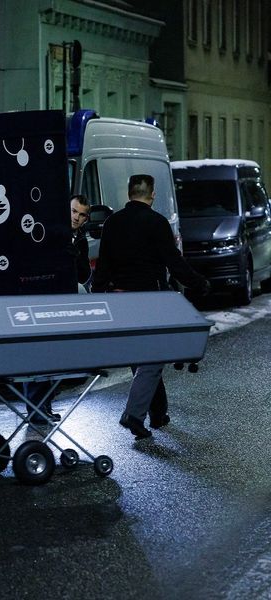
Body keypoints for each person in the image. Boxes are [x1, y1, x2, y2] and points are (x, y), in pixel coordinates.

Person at [91, 174, 209, 440]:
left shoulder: (112, 222)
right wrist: (199, 283)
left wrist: (97, 296)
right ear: (152, 194)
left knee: (141, 360)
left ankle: (158, 413)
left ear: (129, 193)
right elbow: (174, 263)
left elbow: (103, 264)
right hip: (149, 301)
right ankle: (134, 414)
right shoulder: (157, 222)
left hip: (120, 299)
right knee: (153, 359)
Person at [25, 194, 91, 425]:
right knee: (41, 355)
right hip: (45, 301)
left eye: (82, 215)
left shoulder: (80, 239)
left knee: (55, 358)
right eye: (74, 211)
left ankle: (44, 406)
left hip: (65, 302)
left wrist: (76, 258)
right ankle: (36, 409)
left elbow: (83, 274)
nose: (77, 217)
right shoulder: (50, 233)